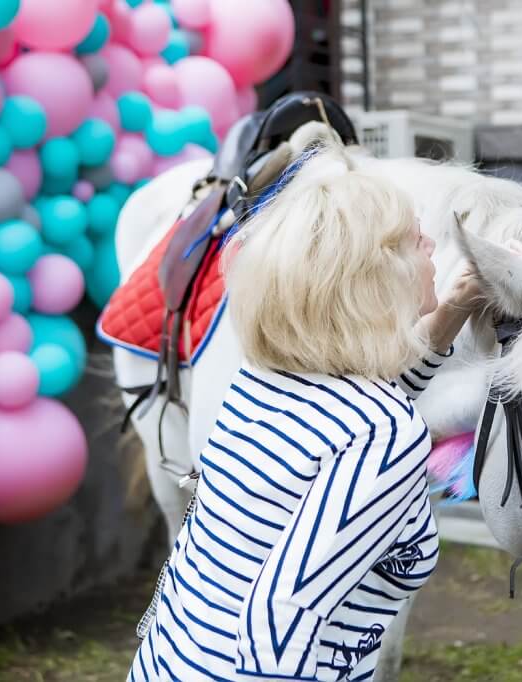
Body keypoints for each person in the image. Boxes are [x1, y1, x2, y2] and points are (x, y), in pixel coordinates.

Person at [128, 143, 481, 682]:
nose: (432, 244)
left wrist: (451, 311)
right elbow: (278, 625)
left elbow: (367, 406)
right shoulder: (382, 433)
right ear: (373, 276)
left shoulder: (267, 374)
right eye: (415, 238)